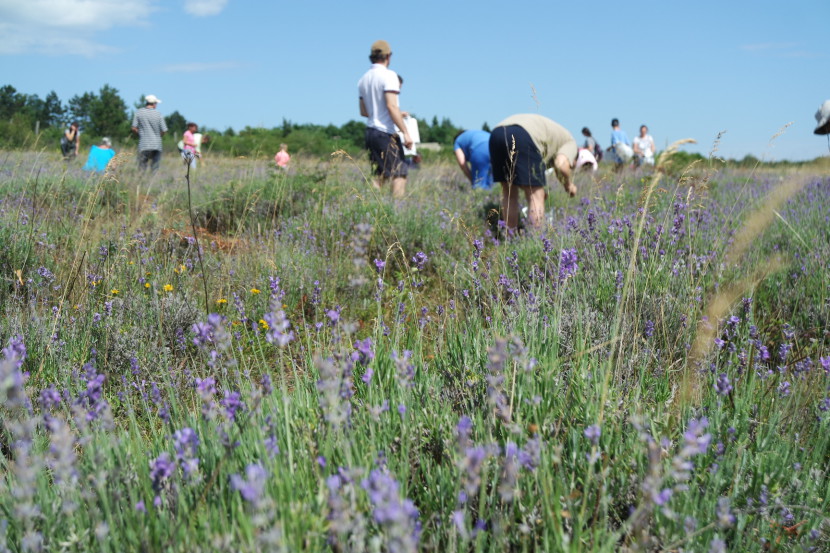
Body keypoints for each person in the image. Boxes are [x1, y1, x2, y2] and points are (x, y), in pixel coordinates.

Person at [488, 114, 577, 231]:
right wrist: (569, 185)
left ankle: (509, 239)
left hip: (496, 134)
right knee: (535, 194)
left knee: (509, 193)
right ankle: (537, 239)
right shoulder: (571, 143)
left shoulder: (558, 137)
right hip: (523, 134)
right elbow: (561, 165)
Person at [357, 40, 413, 198]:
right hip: (385, 132)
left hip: (371, 132)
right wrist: (406, 133)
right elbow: (391, 106)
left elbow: (364, 111)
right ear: (388, 56)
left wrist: (385, 112)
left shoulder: (363, 79)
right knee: (399, 173)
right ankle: (397, 213)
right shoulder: (389, 76)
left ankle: (369, 208)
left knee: (379, 175)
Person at [131, 94, 168, 172]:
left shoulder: (139, 112)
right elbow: (164, 130)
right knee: (155, 168)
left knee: (142, 167)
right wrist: (158, 136)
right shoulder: (158, 114)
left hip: (144, 144)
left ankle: (141, 182)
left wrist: (140, 133)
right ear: (154, 103)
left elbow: (134, 128)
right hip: (156, 145)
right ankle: (153, 182)